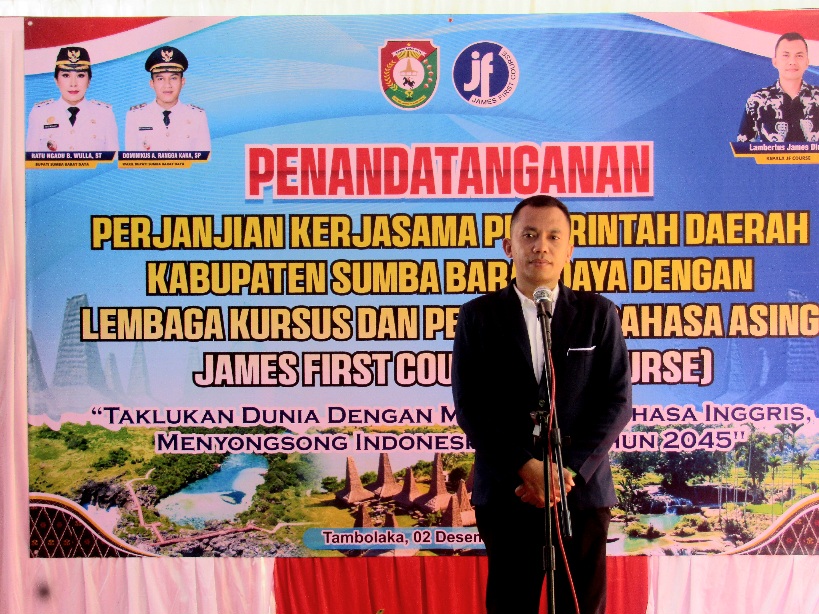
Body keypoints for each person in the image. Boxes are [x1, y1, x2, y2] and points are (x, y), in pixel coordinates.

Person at [452, 194, 632, 614]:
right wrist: (526, 467)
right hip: (509, 491)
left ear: (569, 249)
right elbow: (471, 406)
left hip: (580, 493)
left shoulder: (598, 314)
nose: (541, 247)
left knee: (580, 606)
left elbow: (617, 401)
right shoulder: (478, 317)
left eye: (553, 237)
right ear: (509, 246)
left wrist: (566, 472)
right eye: (529, 235)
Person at [26, 47, 118, 152]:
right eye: (66, 75)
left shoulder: (104, 115)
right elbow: (30, 160)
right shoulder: (39, 114)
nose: (73, 84)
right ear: (56, 80)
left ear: (89, 81)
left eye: (80, 75)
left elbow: (113, 160)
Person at [125, 46, 210, 151]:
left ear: (182, 82)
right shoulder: (135, 116)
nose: (167, 85)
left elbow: (204, 158)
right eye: (160, 79)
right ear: (152, 83)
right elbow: (131, 159)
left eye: (173, 78)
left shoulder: (197, 116)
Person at [737, 32, 819, 142]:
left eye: (799, 56)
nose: (792, 62)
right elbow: (743, 145)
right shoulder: (758, 100)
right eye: (786, 55)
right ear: (775, 62)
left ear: (807, 62)